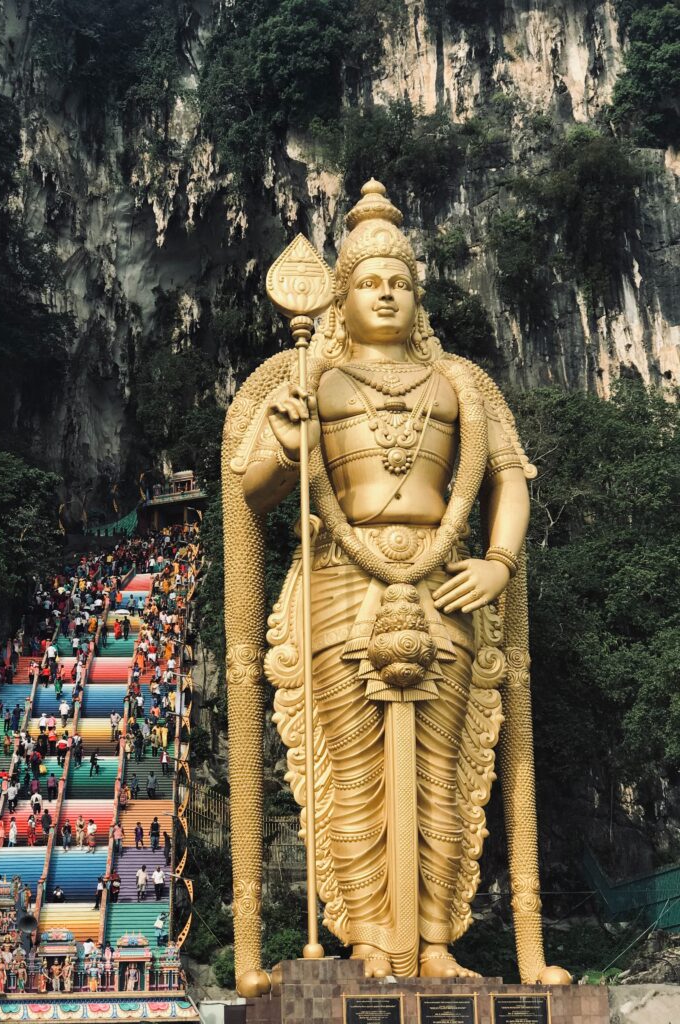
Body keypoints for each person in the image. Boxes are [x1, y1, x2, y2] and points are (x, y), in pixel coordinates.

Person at [223, 181, 558, 986]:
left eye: (399, 282)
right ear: (340, 294)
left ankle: (437, 942)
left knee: (442, 772)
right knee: (355, 772)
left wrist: (497, 562)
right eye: (370, 281)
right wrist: (287, 438)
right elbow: (251, 490)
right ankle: (370, 941)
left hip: (447, 584)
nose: (385, 293)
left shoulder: (462, 386)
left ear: (418, 295)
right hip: (342, 581)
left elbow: (510, 477)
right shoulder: (309, 378)